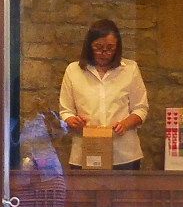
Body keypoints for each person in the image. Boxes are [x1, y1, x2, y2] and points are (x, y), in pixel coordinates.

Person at [59, 18, 148, 170]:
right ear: (89, 46)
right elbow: (65, 110)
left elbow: (141, 108)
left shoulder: (130, 69)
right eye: (98, 47)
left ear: (117, 47)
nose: (104, 53)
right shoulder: (73, 71)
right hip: (85, 152)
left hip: (123, 154)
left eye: (110, 48)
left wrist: (124, 124)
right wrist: (73, 121)